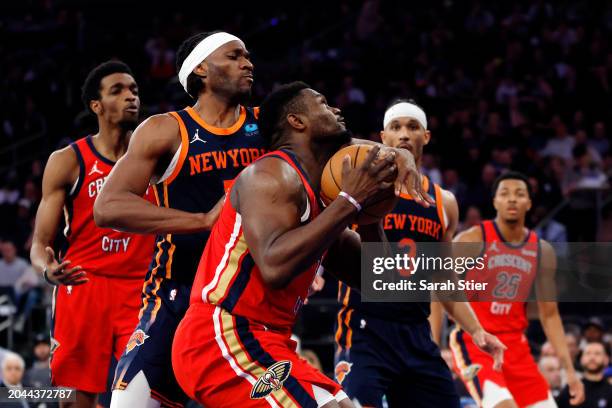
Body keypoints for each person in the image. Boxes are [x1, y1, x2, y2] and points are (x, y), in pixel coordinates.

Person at [171, 82, 426, 407]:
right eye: (322, 103)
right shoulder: (270, 174)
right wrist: (350, 201)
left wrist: (370, 216)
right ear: (297, 121)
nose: (336, 109)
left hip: (267, 340)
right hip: (221, 335)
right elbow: (274, 266)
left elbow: (381, 281)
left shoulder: (320, 204)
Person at [93, 31, 265, 407]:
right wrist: (203, 220)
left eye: (248, 56)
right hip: (178, 293)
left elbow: (332, 161)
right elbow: (107, 207)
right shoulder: (166, 129)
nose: (248, 63)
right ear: (201, 69)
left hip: (246, 301)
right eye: (235, 56)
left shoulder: (269, 126)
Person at [334, 99, 505, 407]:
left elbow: (443, 278)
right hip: (365, 329)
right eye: (395, 128)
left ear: (425, 137)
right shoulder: (360, 187)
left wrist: (477, 331)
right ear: (382, 137)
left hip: (416, 333)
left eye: (412, 127)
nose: (403, 135)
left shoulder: (444, 202)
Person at [30, 61, 155, 407]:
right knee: (75, 399)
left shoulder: (158, 158)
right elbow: (40, 244)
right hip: (83, 285)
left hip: (141, 289)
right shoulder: (68, 160)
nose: (131, 96)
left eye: (134, 90)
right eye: (118, 90)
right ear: (95, 106)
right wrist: (46, 269)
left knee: (142, 396)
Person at [451, 171, 585, 407]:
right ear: (495, 202)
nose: (512, 199)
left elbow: (550, 314)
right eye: (505, 193)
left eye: (519, 194)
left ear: (529, 203)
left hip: (516, 346)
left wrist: (570, 371)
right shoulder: (471, 240)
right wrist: (432, 343)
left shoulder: (542, 251)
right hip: (477, 343)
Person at [557, 341, 612, 408]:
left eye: (597, 353)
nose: (592, 357)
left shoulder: (610, 390)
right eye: (588, 353)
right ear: (581, 359)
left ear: (606, 359)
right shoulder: (572, 388)